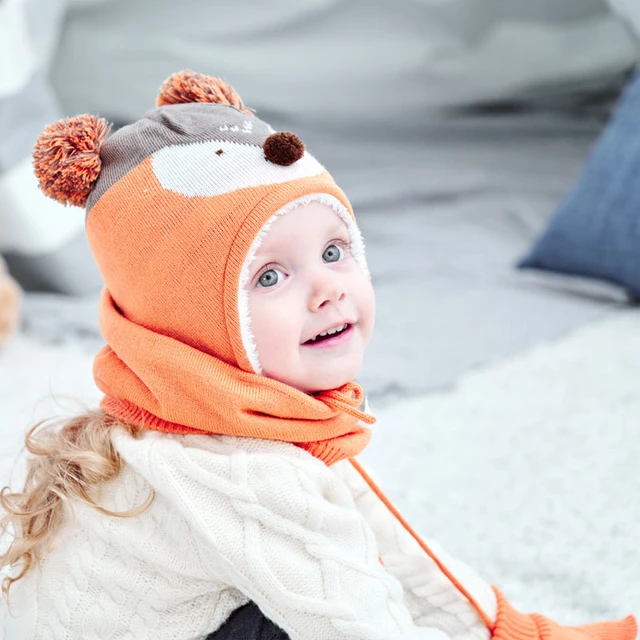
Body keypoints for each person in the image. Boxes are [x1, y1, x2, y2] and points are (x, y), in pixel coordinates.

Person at [0, 70, 636, 640]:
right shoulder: (242, 471)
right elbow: (355, 618)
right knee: (301, 604)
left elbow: (390, 546)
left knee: (347, 555)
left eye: (334, 252)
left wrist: (515, 632)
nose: (327, 287)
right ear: (190, 322)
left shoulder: (241, 414)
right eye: (270, 276)